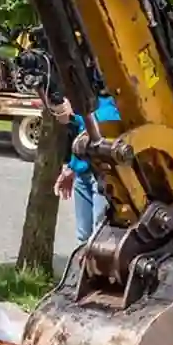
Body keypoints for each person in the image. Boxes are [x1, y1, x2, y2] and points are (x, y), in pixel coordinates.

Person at [53, 93, 121, 244]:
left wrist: (72, 168)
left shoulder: (109, 106)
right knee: (83, 237)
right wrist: (72, 168)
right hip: (83, 174)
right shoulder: (87, 101)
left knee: (99, 237)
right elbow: (82, 139)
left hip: (102, 177)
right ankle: (82, 266)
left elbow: (99, 132)